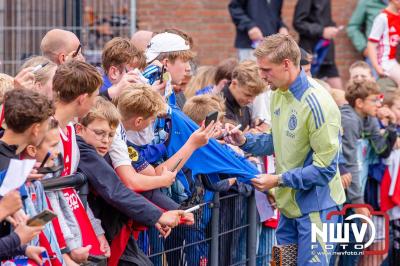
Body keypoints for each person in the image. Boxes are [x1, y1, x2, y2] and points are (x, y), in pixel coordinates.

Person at [226, 33, 345, 265]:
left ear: (287, 64)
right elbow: (276, 140)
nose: (261, 75)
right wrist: (244, 141)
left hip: (319, 211)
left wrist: (278, 180)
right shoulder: (278, 94)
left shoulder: (318, 102)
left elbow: (325, 170)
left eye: (266, 69)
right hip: (288, 210)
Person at [75, 97, 187, 265]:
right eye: (99, 133)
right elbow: (118, 190)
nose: (106, 140)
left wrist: (160, 215)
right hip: (93, 234)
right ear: (79, 129)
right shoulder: (84, 151)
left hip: (111, 231)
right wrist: (159, 214)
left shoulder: (109, 153)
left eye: (111, 135)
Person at [293, 0, 343, 90]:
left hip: (326, 53)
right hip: (311, 53)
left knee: (339, 93)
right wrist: (322, 31)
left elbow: (324, 20)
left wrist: (332, 27)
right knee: (309, 90)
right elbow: (298, 22)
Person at [222, 60, 266, 129]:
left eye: (255, 96)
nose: (251, 100)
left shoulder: (241, 102)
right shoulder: (217, 106)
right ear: (234, 84)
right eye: (247, 95)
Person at [367, 0, 400, 88]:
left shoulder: (398, 15)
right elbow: (371, 44)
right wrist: (377, 67)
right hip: (384, 61)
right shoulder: (382, 18)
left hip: (392, 60)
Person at [347, 0, 386, 68]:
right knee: (377, 78)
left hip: (395, 52)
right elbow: (352, 27)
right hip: (376, 53)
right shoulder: (367, 2)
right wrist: (363, 47)